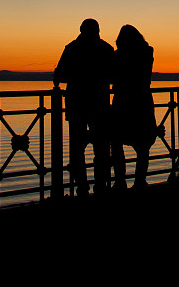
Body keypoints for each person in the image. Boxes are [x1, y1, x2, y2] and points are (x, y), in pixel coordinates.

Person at [54, 18, 114, 196]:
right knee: (101, 147)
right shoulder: (106, 49)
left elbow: (60, 74)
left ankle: (82, 186)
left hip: (77, 103)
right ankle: (101, 185)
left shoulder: (71, 48)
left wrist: (74, 77)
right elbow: (113, 75)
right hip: (99, 103)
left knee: (77, 146)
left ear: (81, 30)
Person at [110, 24, 157, 191]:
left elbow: (112, 76)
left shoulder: (118, 56)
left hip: (123, 100)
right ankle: (140, 181)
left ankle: (120, 181)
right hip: (142, 100)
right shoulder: (147, 52)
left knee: (116, 142)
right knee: (143, 145)